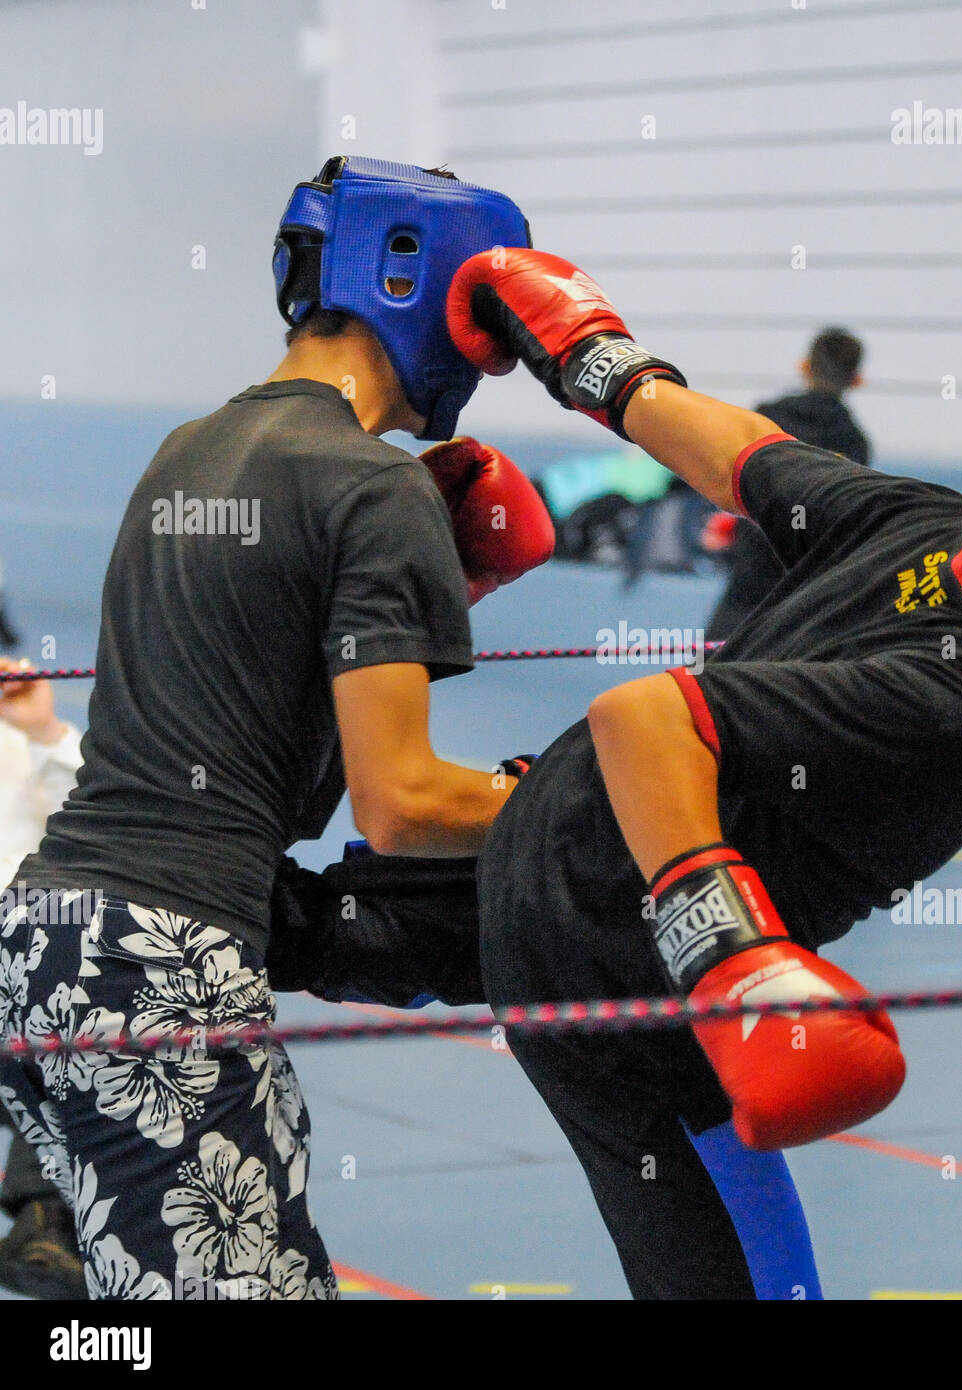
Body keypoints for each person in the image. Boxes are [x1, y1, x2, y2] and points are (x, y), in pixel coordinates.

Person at [273, 254, 962, 1299]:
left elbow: (746, 456)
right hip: (616, 954)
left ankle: (171, 929)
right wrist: (735, 961)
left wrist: (596, 362)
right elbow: (648, 719)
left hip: (564, 838)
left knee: (295, 923)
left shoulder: (932, 525)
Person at [0, 156, 554, 1300]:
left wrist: (428, 584)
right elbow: (402, 808)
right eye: (493, 315)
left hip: (43, 938)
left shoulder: (191, 449)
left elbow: (236, 706)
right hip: (163, 966)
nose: (496, 352)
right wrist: (585, 806)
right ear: (421, 282)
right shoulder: (371, 485)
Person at [0, 658, 85, 1299]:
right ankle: (41, 1217)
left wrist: (45, 730)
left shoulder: (18, 737)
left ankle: (43, 1219)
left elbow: (94, 824)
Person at [705, 328, 871, 640]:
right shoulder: (854, 442)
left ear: (804, 367)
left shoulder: (765, 418)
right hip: (805, 588)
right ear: (857, 379)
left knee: (712, 676)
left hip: (750, 577)